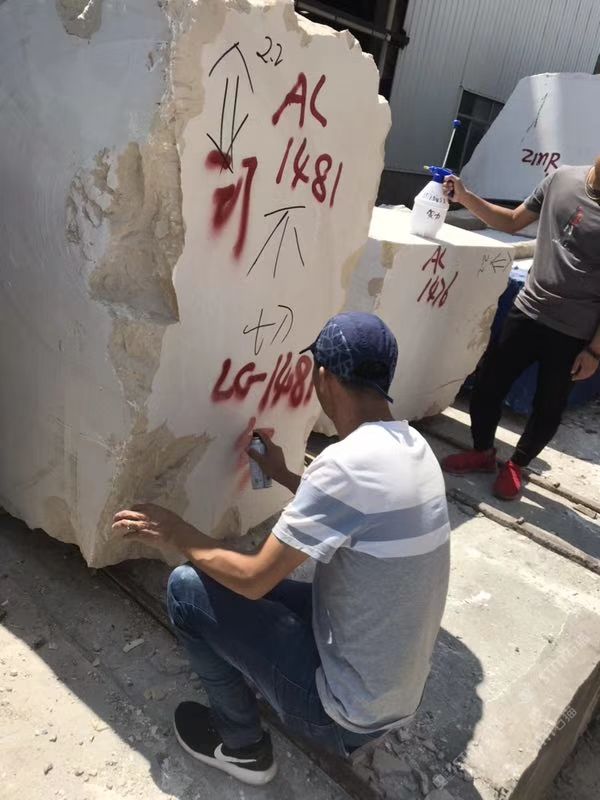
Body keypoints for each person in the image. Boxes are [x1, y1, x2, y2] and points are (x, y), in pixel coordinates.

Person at [113, 312, 451, 786]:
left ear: (324, 377)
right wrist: (287, 475)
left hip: (343, 715)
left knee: (188, 588)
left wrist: (176, 531)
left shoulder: (345, 466)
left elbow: (253, 580)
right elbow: (354, 507)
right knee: (251, 589)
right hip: (391, 694)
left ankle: (241, 746)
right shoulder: (412, 446)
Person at [441, 159, 600, 500]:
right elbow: (512, 221)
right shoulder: (561, 179)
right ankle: (483, 452)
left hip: (574, 331)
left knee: (549, 406)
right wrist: (465, 197)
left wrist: (594, 351)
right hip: (528, 309)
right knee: (487, 384)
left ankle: (517, 465)